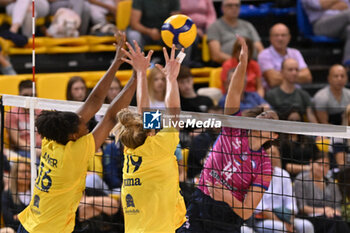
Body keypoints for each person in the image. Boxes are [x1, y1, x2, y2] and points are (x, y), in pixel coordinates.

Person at [16, 32, 137, 233]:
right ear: (73, 136)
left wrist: (116, 61)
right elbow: (110, 116)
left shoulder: (52, 141)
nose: (86, 124)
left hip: (30, 224)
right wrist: (137, 76)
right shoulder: (74, 154)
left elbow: (95, 100)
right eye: (82, 126)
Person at [178, 36, 278, 233]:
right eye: (263, 114)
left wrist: (227, 197)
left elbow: (247, 211)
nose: (265, 116)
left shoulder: (265, 165)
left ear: (274, 135)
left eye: (272, 118)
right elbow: (233, 93)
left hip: (227, 217)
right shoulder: (235, 129)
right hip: (201, 201)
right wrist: (243, 64)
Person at [116, 41, 186, 232]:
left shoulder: (131, 147)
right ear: (150, 131)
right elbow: (172, 113)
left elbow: (145, 113)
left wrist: (141, 73)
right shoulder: (158, 147)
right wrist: (171, 78)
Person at [254, 145, 314, 233]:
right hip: (261, 219)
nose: (270, 156)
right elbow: (260, 208)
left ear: (278, 157)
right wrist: (284, 224)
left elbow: (291, 203)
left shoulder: (283, 174)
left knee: (306, 225)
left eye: (273, 154)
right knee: (279, 227)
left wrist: (290, 222)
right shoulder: (254, 175)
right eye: (267, 154)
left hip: (286, 218)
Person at [295, 152, 350, 233]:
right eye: (319, 164)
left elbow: (337, 206)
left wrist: (335, 211)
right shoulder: (301, 179)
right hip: (309, 218)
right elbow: (302, 207)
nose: (322, 168)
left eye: (326, 166)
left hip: (331, 218)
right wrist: (324, 210)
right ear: (311, 162)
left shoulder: (331, 183)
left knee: (337, 220)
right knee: (335, 222)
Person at [207, 0, 263, 64]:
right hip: (229, 66)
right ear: (222, 8)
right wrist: (241, 62)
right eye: (230, 5)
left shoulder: (247, 25)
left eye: (237, 5)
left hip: (253, 64)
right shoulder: (214, 26)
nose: (234, 8)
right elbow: (216, 55)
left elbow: (260, 49)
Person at [258, 23, 312, 88]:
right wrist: (295, 76)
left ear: (289, 37)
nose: (280, 38)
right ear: (270, 38)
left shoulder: (295, 53)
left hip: (296, 93)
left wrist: (282, 75)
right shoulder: (264, 55)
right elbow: (273, 80)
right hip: (274, 95)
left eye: (283, 35)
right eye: (276, 35)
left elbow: (307, 77)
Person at [265, 58, 318, 123]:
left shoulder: (304, 95)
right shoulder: (271, 95)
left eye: (296, 69)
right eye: (290, 70)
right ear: (281, 72)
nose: (294, 73)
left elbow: (311, 117)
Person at [301, 0, 350, 65]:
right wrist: (326, 5)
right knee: (348, 13)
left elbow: (345, 6)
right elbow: (319, 5)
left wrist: (326, 5)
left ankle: (348, 65)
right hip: (320, 25)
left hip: (340, 24)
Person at [5, 80, 42, 158]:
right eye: (25, 95)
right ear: (19, 96)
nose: (29, 98)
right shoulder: (12, 114)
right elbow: (16, 140)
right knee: (36, 163)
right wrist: (35, 150)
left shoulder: (42, 112)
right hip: (23, 150)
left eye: (32, 95)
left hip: (42, 148)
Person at [279, 108, 319, 179]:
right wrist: (307, 168)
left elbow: (318, 157)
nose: (294, 123)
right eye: (291, 121)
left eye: (297, 121)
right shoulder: (281, 142)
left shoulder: (308, 140)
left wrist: (315, 167)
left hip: (312, 175)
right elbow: (284, 166)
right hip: (291, 177)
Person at [1, 160, 31, 231]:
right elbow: (9, 221)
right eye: (23, 171)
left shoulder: (36, 194)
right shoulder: (7, 195)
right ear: (15, 174)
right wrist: (29, 215)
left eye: (29, 171)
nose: (27, 174)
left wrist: (18, 216)